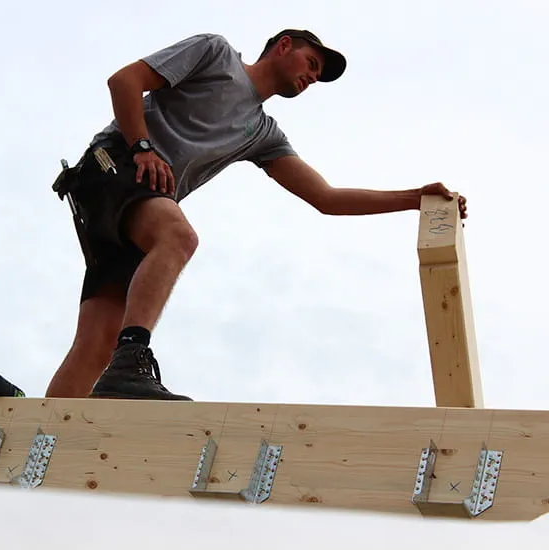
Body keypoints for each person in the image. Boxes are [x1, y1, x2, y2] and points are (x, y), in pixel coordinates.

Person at [44, 29, 468, 401]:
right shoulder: (215, 53)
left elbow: (327, 197)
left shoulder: (263, 134)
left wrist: (414, 197)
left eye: (318, 76)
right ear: (283, 46)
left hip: (134, 206)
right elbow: (125, 80)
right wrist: (142, 147)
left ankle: (40, 439)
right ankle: (132, 361)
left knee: (97, 343)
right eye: (312, 63)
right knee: (178, 237)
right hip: (112, 164)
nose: (312, 77)